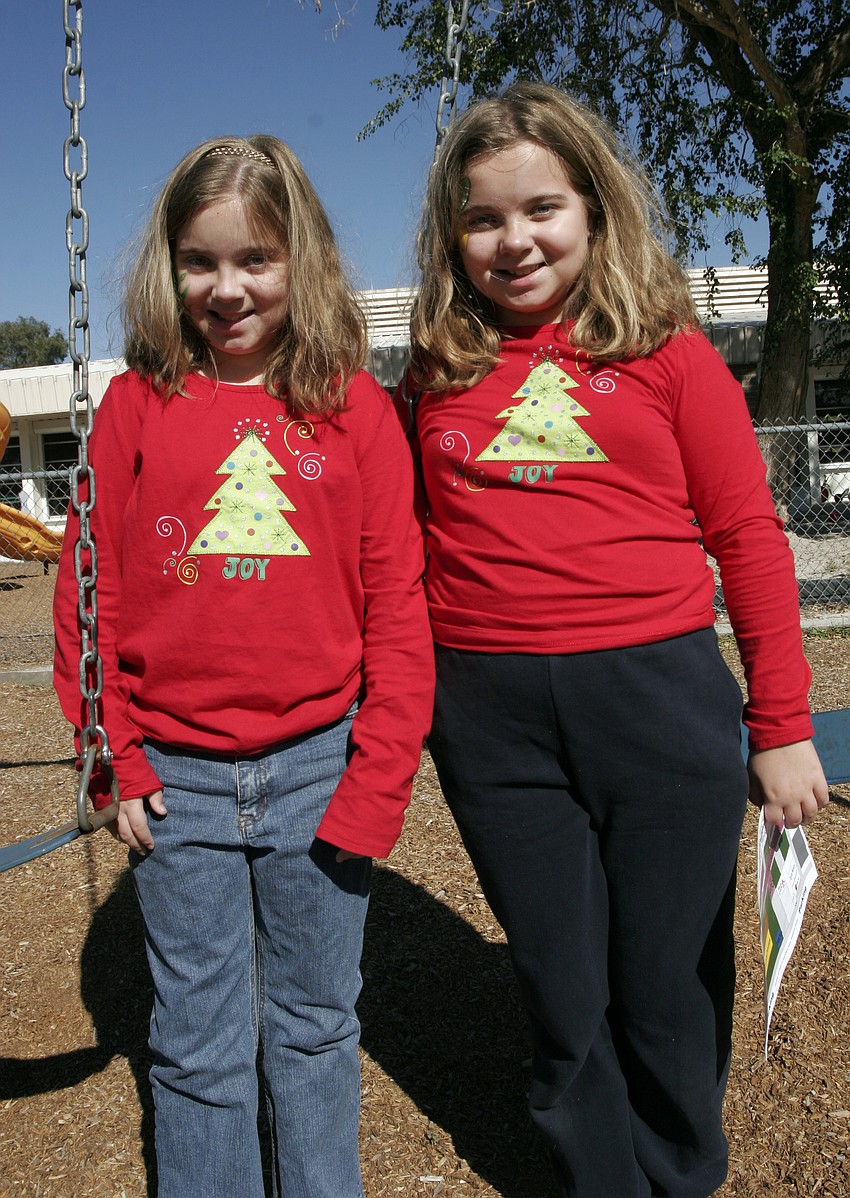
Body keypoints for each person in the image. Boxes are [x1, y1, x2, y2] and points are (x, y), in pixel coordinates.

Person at [400, 82, 829, 1198]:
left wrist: (779, 725)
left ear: (591, 206)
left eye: (541, 206)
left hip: (660, 702)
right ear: (453, 235)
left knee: (662, 981)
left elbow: (747, 534)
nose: (514, 239)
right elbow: (392, 541)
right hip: (491, 721)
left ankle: (679, 1169)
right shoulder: (436, 369)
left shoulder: (666, 352)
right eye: (483, 218)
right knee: (561, 987)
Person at [53, 135, 434, 1198]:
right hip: (175, 782)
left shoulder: (350, 408)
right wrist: (112, 757)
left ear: (299, 259)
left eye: (255, 259)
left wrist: (377, 778)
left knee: (314, 1029)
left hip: (319, 764)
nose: (227, 288)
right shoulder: (138, 404)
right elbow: (89, 598)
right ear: (168, 266)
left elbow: (396, 606)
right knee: (199, 1041)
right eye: (199, 260)